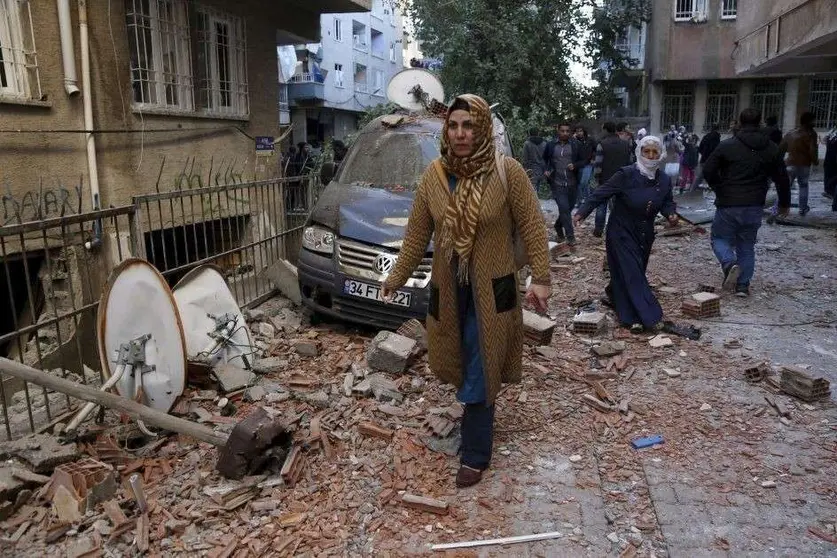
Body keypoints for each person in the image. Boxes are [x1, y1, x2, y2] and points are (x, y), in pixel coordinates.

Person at [381, 94, 551, 488]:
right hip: (450, 288)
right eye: (454, 125)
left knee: (483, 358)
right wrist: (395, 278)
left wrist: (541, 277)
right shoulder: (434, 177)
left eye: (469, 125)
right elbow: (416, 236)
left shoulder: (507, 172)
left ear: (483, 129)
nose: (460, 133)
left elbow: (532, 227)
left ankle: (475, 454)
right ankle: (478, 412)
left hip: (496, 288)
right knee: (459, 356)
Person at [573, 135, 677, 333]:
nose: (651, 155)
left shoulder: (663, 179)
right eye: (647, 151)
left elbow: (666, 201)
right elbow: (601, 193)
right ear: (639, 152)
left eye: (655, 152)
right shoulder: (626, 174)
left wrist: (670, 214)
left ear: (660, 154)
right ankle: (644, 317)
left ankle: (615, 296)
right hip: (621, 230)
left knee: (630, 272)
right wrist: (582, 212)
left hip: (645, 233)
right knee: (632, 273)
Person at [702, 108, 791, 297]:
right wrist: (784, 203)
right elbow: (782, 178)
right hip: (755, 205)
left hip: (728, 203)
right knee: (746, 245)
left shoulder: (727, 146)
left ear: (740, 123)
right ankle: (742, 286)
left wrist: (719, 188)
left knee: (719, 239)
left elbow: (708, 169)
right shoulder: (772, 148)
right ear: (760, 123)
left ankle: (728, 263)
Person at [544, 123, 585, 244]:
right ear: (558, 131)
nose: (565, 133)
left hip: (572, 183)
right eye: (562, 131)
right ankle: (570, 237)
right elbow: (545, 159)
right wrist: (546, 170)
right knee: (564, 208)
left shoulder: (576, 144)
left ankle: (558, 225)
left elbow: (584, 160)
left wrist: (575, 165)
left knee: (568, 208)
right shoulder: (551, 145)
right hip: (557, 182)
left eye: (567, 131)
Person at [591, 121, 633, 237]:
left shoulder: (602, 144)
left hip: (605, 180)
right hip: (621, 179)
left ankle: (598, 229)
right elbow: (630, 163)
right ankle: (616, 228)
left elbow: (598, 164)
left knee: (601, 205)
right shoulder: (625, 144)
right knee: (617, 206)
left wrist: (597, 178)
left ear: (605, 130)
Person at [779, 111, 819, 216]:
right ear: (808, 121)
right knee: (803, 185)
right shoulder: (811, 133)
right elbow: (812, 150)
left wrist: (779, 161)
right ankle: (802, 208)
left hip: (790, 163)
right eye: (814, 120)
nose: (815, 122)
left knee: (786, 187)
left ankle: (779, 208)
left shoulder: (790, 133)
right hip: (804, 164)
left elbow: (781, 148)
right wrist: (815, 161)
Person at [692, 124, 721, 189]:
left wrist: (704, 154)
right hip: (711, 160)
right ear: (718, 129)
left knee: (702, 175)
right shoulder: (716, 137)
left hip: (704, 159)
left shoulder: (706, 136)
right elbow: (716, 149)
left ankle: (693, 189)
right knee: (713, 175)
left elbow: (700, 149)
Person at [574, 126, 596, 207]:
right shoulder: (574, 141)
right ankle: (583, 201)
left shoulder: (590, 140)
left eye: (580, 131)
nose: (579, 133)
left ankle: (584, 200)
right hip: (577, 164)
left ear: (584, 131)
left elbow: (596, 149)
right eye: (577, 131)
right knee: (579, 184)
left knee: (584, 182)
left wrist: (593, 158)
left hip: (588, 164)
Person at [522, 127, 548, 193]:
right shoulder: (544, 143)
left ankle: (533, 202)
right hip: (542, 168)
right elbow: (547, 157)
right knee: (538, 187)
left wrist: (525, 168)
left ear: (529, 134)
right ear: (538, 133)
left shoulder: (527, 143)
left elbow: (525, 157)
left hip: (531, 169)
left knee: (532, 189)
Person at [822, 126, 837, 200]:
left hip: (831, 157)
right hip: (830, 157)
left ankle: (830, 191)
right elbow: (824, 140)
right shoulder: (833, 130)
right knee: (829, 173)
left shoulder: (833, 131)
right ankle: (829, 191)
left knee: (831, 174)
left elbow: (824, 140)